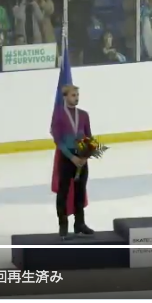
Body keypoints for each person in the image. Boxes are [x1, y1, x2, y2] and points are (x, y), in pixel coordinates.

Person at [51, 84, 94, 239]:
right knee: (63, 192)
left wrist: (85, 156)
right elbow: (58, 140)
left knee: (80, 190)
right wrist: (72, 157)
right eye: (73, 95)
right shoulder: (59, 115)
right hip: (67, 157)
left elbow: (90, 138)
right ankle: (63, 224)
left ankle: (80, 223)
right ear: (65, 97)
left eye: (77, 95)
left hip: (81, 158)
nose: (76, 98)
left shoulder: (83, 115)